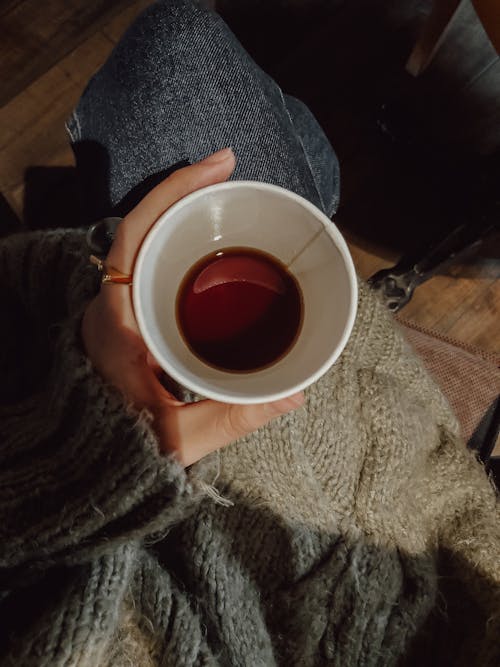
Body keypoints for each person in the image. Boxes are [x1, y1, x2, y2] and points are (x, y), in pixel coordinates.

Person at [0, 1, 498, 665]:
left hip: (162, 508)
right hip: (395, 465)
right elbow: (462, 504)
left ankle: (315, 173)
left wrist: (89, 452)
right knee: (195, 57)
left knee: (176, 56)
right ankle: (315, 174)